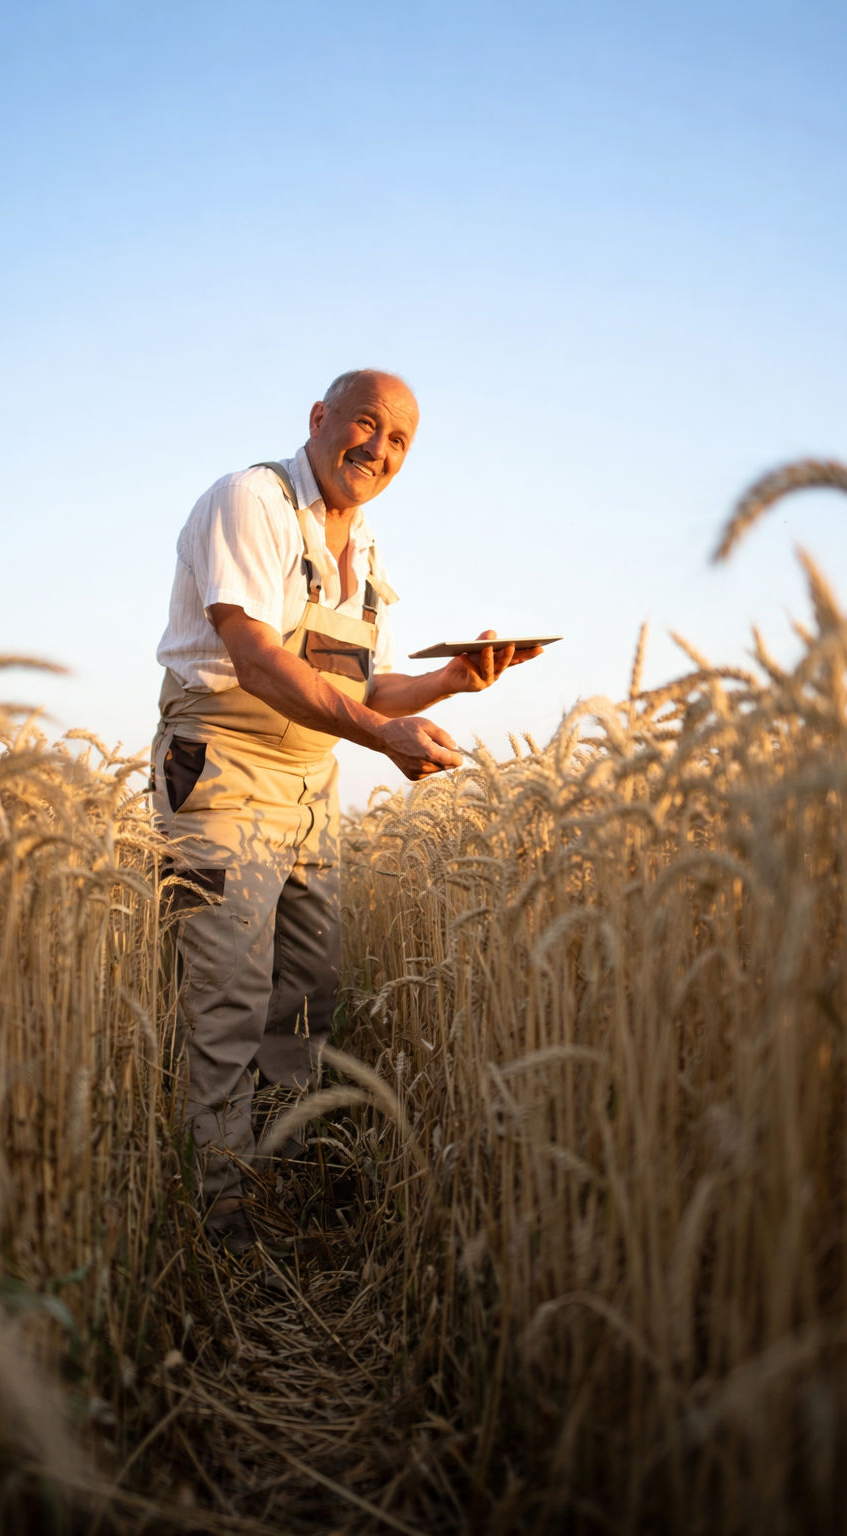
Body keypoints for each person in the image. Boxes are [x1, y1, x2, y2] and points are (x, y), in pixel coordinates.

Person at [152, 368, 540, 1251]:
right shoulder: (250, 502)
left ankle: (282, 1171)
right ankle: (225, 1217)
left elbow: (365, 684)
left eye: (400, 441)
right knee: (230, 997)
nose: (379, 449)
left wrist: (451, 679)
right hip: (221, 768)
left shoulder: (366, 552)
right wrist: (381, 738)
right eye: (365, 424)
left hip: (310, 782)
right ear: (320, 419)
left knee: (308, 990)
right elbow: (253, 657)